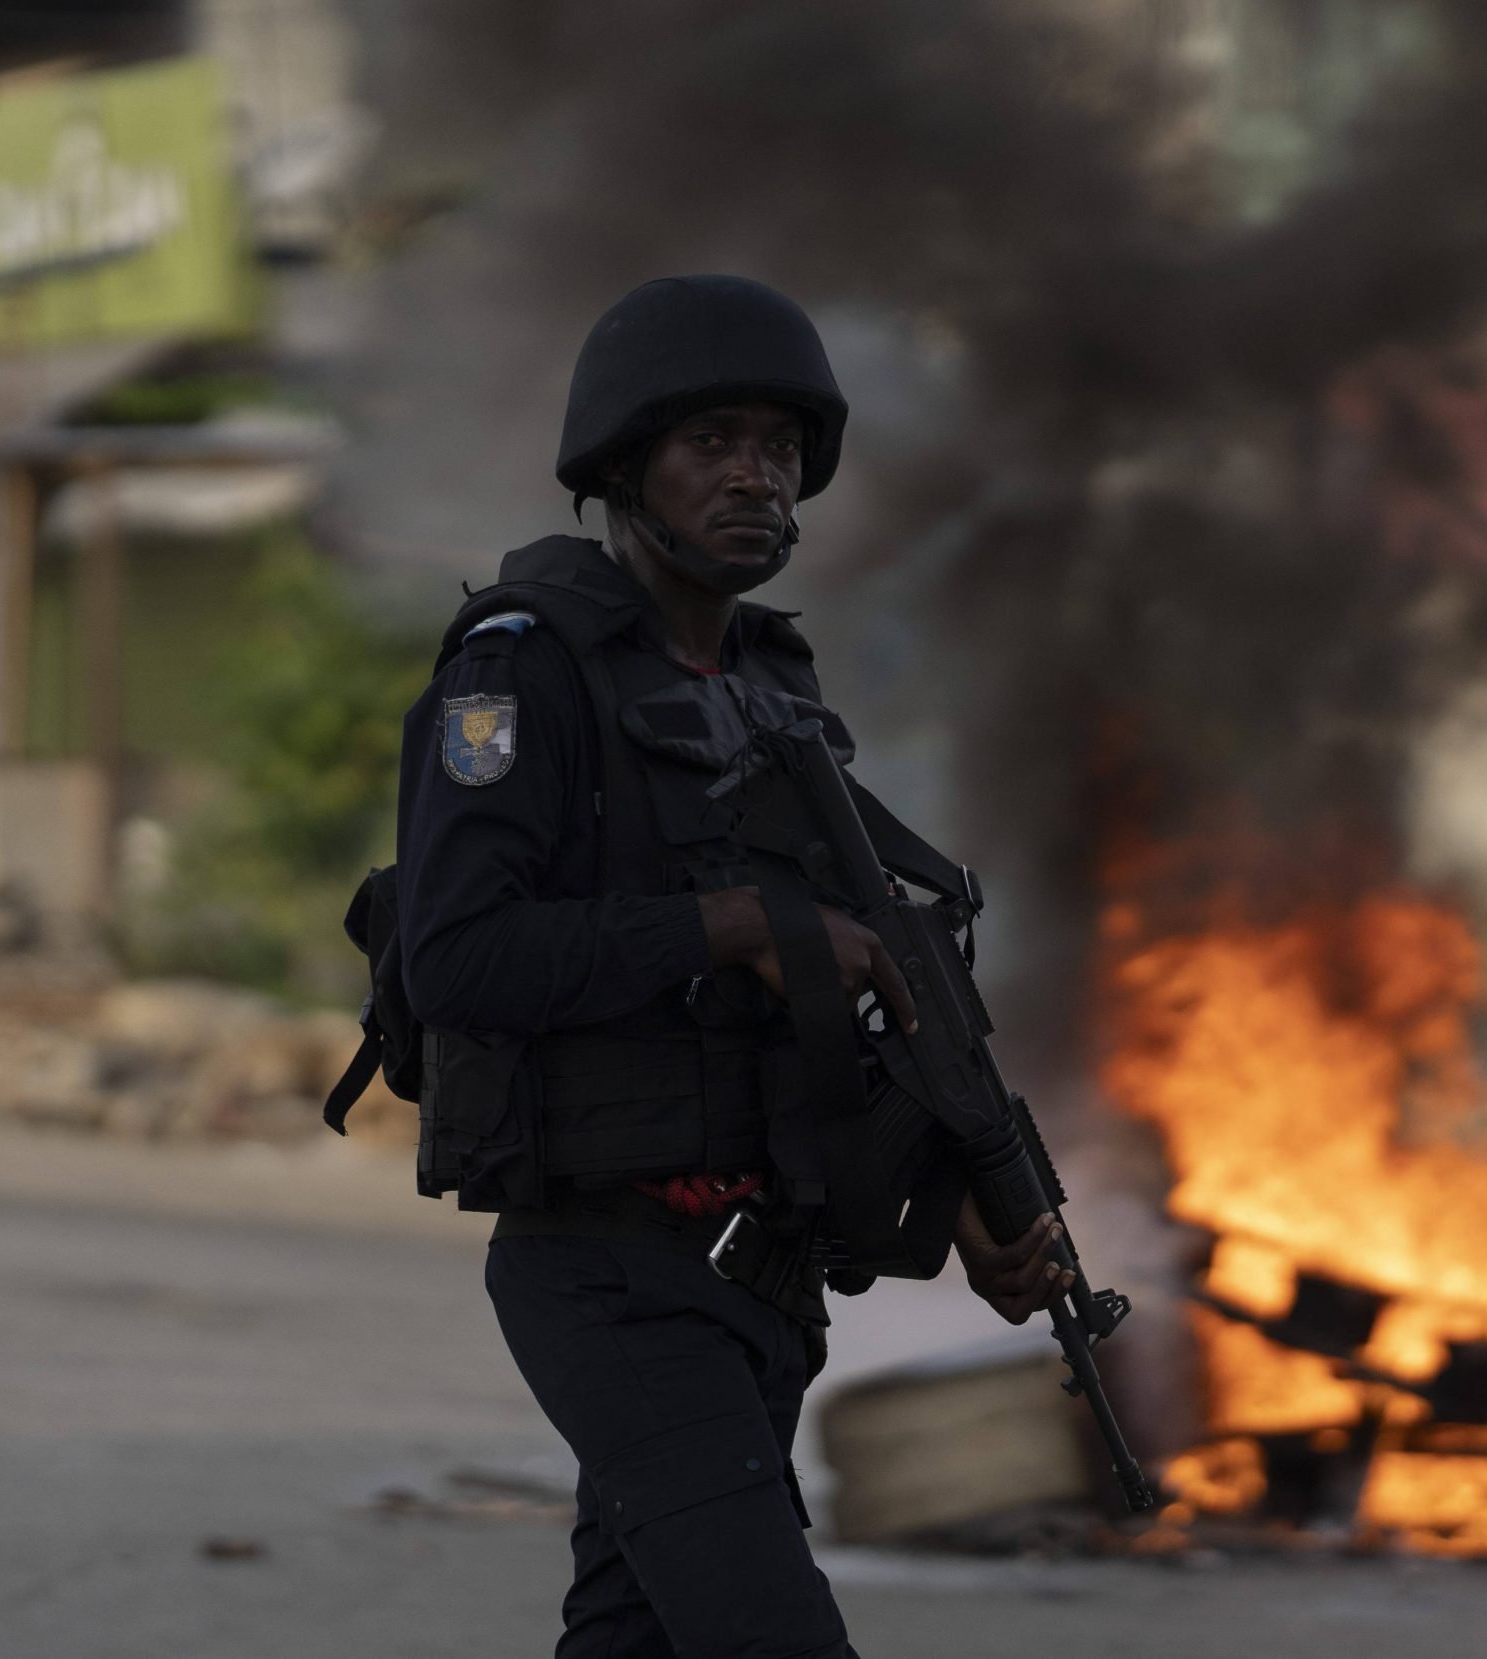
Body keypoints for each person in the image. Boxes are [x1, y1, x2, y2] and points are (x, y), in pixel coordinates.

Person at [392, 275, 1064, 1658]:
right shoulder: (517, 675)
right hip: (614, 1268)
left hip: (761, 1278)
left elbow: (833, 1022)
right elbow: (457, 955)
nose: (754, 476)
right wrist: (739, 928)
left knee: (634, 1640)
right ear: (625, 465)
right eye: (713, 444)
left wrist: (968, 1204)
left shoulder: (773, 696)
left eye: (777, 447)